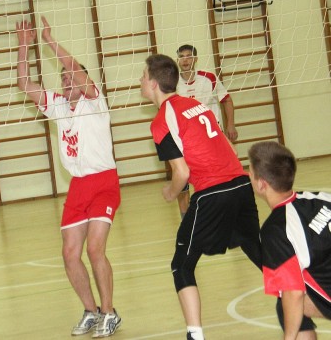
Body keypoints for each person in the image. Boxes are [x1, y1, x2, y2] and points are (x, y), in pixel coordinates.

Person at [139, 53, 261, 340]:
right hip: (240, 184)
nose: (140, 81)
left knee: (181, 265)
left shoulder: (161, 121)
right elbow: (228, 147)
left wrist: (170, 193)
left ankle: (195, 335)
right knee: (255, 247)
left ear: (154, 84)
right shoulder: (196, 105)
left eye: (143, 76)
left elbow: (181, 173)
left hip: (211, 193)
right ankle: (300, 296)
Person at [16, 17, 122, 338]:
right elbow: (24, 84)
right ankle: (91, 310)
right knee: (69, 254)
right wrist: (24, 44)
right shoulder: (60, 107)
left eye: (70, 76)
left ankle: (109, 312)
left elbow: (75, 68)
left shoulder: (94, 101)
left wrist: (49, 40)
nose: (65, 79)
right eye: (61, 77)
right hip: (78, 187)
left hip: (103, 182)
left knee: (95, 250)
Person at [248, 141, 331, 340]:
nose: (247, 175)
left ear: (261, 184)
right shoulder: (321, 197)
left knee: (288, 301)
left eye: (250, 172)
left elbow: (294, 293)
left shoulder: (276, 231)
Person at [175, 44, 238, 218]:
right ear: (177, 60)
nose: (185, 60)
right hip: (187, 141)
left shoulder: (208, 78)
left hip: (212, 137)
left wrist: (230, 125)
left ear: (195, 59)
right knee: (183, 182)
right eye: (181, 56)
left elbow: (226, 100)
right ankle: (186, 221)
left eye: (189, 56)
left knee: (218, 178)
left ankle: (222, 213)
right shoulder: (173, 83)